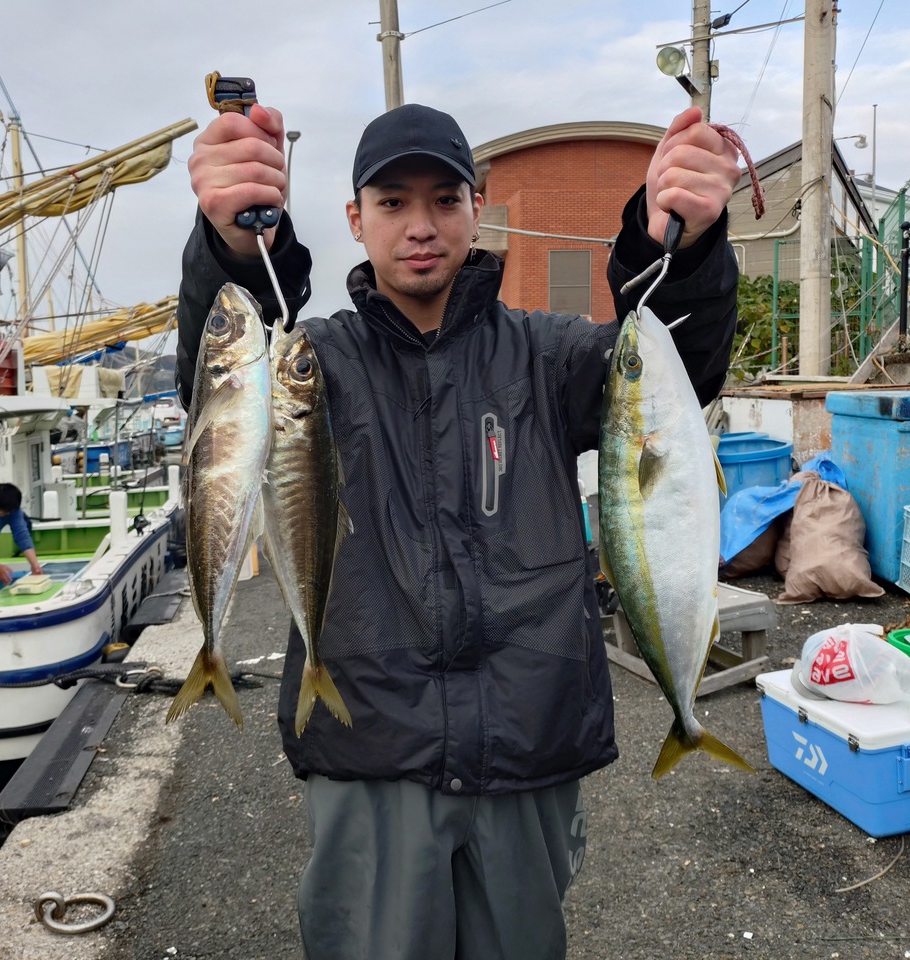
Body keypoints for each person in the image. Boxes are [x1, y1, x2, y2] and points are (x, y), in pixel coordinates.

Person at [175, 99, 741, 960]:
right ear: (355, 218)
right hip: (370, 751)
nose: (421, 226)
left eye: (445, 199)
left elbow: (672, 374)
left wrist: (684, 247)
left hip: (527, 752)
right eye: (392, 203)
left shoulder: (549, 356)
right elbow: (223, 395)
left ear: (478, 210)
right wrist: (234, 247)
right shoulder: (312, 364)